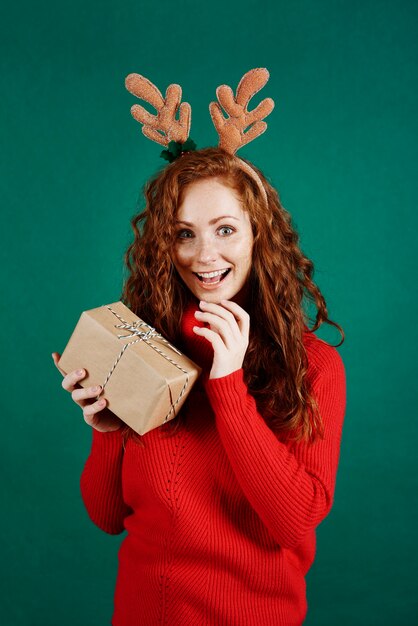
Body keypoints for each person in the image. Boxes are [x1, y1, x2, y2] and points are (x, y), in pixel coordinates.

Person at [52, 70, 346, 625]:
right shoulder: (140, 342)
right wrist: (109, 432)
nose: (203, 255)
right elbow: (108, 516)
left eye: (225, 230)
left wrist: (228, 386)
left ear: (260, 234)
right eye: (184, 233)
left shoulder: (315, 365)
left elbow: (296, 519)